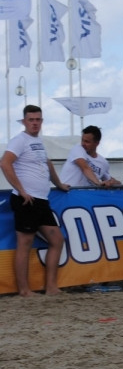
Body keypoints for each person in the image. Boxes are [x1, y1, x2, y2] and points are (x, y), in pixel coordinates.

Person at [0, 105, 69, 296]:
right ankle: (24, 290)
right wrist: (21, 190)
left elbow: (47, 165)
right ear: (24, 121)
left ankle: (51, 287)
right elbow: (4, 163)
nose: (35, 123)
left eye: (38, 119)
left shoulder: (38, 142)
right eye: (31, 120)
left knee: (57, 240)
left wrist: (60, 184)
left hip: (41, 200)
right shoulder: (19, 141)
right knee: (25, 244)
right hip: (26, 200)